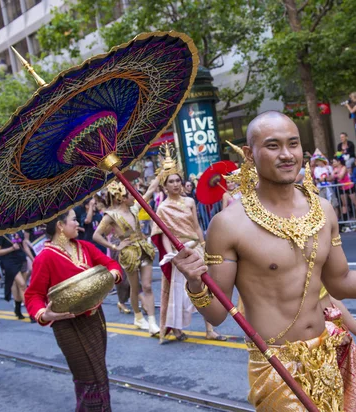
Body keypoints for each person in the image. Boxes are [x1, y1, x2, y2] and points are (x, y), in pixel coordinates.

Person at [171, 111, 356, 410]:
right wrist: (195, 282)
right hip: (275, 367)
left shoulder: (323, 210)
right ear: (250, 154)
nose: (287, 155)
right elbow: (217, 314)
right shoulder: (229, 225)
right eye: (273, 146)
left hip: (328, 356)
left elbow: (340, 283)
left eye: (293, 144)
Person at [24, 209, 123, 411]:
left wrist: (111, 276)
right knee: (89, 376)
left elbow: (112, 264)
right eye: (74, 220)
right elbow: (33, 296)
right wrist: (44, 315)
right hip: (66, 325)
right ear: (60, 225)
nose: (78, 224)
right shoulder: (45, 258)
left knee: (99, 373)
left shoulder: (85, 247)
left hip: (95, 319)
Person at [152, 149, 226, 344]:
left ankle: (210, 328)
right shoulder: (162, 208)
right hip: (180, 252)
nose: (175, 184)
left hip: (196, 248)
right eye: (171, 182)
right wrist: (172, 256)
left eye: (178, 180)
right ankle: (175, 329)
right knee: (180, 292)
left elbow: (196, 226)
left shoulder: (190, 201)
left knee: (206, 287)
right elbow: (163, 234)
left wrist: (204, 245)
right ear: (165, 186)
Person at [93, 178, 160, 334]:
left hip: (144, 249)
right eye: (132, 194)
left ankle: (152, 322)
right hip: (128, 254)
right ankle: (138, 317)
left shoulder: (135, 209)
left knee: (148, 286)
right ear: (122, 198)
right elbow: (97, 235)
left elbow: (150, 191)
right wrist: (115, 246)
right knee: (135, 288)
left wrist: (162, 173)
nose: (135, 197)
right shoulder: (111, 215)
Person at [0, 231, 31, 319]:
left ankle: (17, 309)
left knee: (19, 286)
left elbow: (24, 245)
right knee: (22, 285)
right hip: (9, 262)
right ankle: (31, 312)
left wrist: (34, 259)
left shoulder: (19, 229)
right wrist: (12, 249)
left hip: (21, 259)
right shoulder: (1, 233)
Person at [333, 156, 356, 223]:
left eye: (334, 161)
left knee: (355, 202)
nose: (333, 163)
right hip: (342, 187)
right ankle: (345, 221)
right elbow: (332, 176)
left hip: (349, 186)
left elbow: (341, 176)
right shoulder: (335, 169)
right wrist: (335, 174)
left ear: (339, 162)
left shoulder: (344, 167)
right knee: (344, 204)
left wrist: (335, 174)